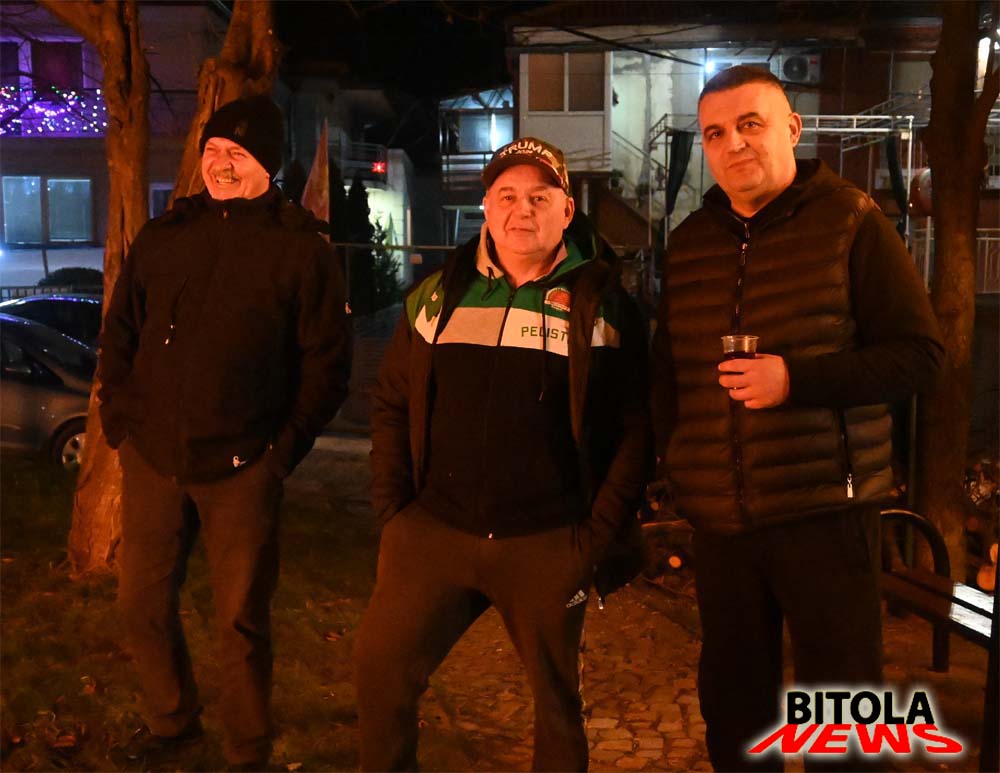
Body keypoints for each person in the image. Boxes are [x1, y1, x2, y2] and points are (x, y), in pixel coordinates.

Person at [650, 66, 944, 771]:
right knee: (735, 711)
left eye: (750, 124)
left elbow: (920, 356)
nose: (733, 144)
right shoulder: (690, 241)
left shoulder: (852, 221)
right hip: (723, 523)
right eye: (715, 133)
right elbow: (669, 373)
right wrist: (678, 466)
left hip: (826, 516)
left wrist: (795, 380)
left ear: (792, 128)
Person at [355, 137, 651, 771]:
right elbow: (392, 402)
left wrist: (593, 539)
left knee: (556, 709)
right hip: (433, 534)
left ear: (566, 211)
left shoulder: (605, 306)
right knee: (380, 674)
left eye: (540, 198)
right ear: (486, 206)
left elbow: (636, 429)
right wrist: (394, 512)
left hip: (547, 543)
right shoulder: (436, 296)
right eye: (508, 196)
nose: (523, 210)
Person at [98, 94, 352, 771]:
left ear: (267, 163)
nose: (221, 165)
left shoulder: (300, 251)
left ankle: (246, 750)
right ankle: (172, 725)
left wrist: (282, 452)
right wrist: (118, 416)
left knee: (239, 621)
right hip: (153, 456)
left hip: (244, 466)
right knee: (141, 603)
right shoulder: (165, 236)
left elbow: (327, 366)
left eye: (237, 153)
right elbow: (120, 331)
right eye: (212, 150)